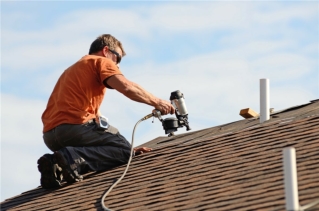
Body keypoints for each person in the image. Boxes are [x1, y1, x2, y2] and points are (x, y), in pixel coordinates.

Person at [38, 34, 175, 189]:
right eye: (118, 59)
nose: (118, 66)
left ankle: (55, 165)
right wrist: (158, 102)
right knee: (124, 151)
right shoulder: (100, 61)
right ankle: (70, 157)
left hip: (50, 136)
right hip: (75, 128)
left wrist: (123, 149)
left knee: (121, 148)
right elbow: (127, 87)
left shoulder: (72, 70)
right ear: (105, 50)